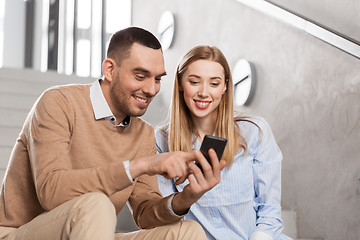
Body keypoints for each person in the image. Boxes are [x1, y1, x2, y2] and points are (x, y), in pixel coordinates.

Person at [0, 27, 223, 240]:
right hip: (21, 232)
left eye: (157, 79)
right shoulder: (59, 103)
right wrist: (142, 165)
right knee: (97, 204)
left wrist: (187, 197)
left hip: (91, 231)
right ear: (109, 69)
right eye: (140, 75)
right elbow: (51, 192)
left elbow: (144, 215)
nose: (151, 89)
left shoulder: (144, 134)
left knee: (188, 232)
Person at [156, 45, 293, 240]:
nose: (204, 92)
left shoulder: (254, 131)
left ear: (225, 86)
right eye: (194, 82)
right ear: (179, 83)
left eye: (214, 83)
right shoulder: (161, 140)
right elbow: (166, 219)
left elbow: (269, 212)